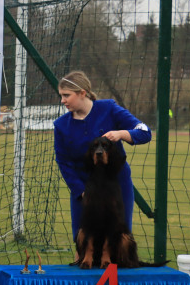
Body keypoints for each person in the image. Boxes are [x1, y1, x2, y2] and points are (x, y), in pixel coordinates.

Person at [53, 71, 152, 239]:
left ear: (82, 93)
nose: (62, 100)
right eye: (61, 95)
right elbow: (63, 162)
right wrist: (81, 191)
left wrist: (122, 134)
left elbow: (145, 132)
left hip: (117, 183)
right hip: (84, 186)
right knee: (82, 239)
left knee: (119, 237)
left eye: (66, 95)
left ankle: (115, 266)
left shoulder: (109, 108)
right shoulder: (61, 125)